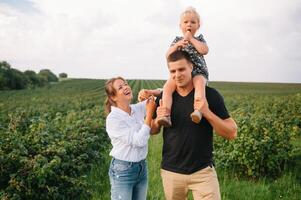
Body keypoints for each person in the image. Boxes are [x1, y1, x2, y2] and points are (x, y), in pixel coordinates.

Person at [139, 50, 237, 200]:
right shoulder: (165, 98)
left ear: (191, 66)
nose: (177, 74)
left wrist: (207, 112)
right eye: (173, 71)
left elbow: (232, 133)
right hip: (171, 172)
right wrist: (158, 120)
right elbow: (152, 130)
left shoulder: (209, 95)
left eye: (181, 69)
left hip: (203, 173)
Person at [104, 77, 156, 200]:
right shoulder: (113, 119)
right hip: (123, 171)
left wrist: (151, 92)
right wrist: (149, 114)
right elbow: (139, 141)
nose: (126, 87)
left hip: (141, 167)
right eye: (120, 87)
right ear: (113, 97)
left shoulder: (136, 109)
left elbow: (160, 96)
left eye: (126, 84)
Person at [158, 6, 209, 127]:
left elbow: (204, 50)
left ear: (198, 26)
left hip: (198, 72)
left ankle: (198, 110)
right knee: (167, 88)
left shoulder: (199, 39)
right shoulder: (177, 40)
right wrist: (176, 46)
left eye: (193, 22)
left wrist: (191, 39)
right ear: (180, 25)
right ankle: (166, 114)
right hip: (180, 73)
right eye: (186, 22)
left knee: (199, 85)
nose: (189, 25)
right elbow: (168, 55)